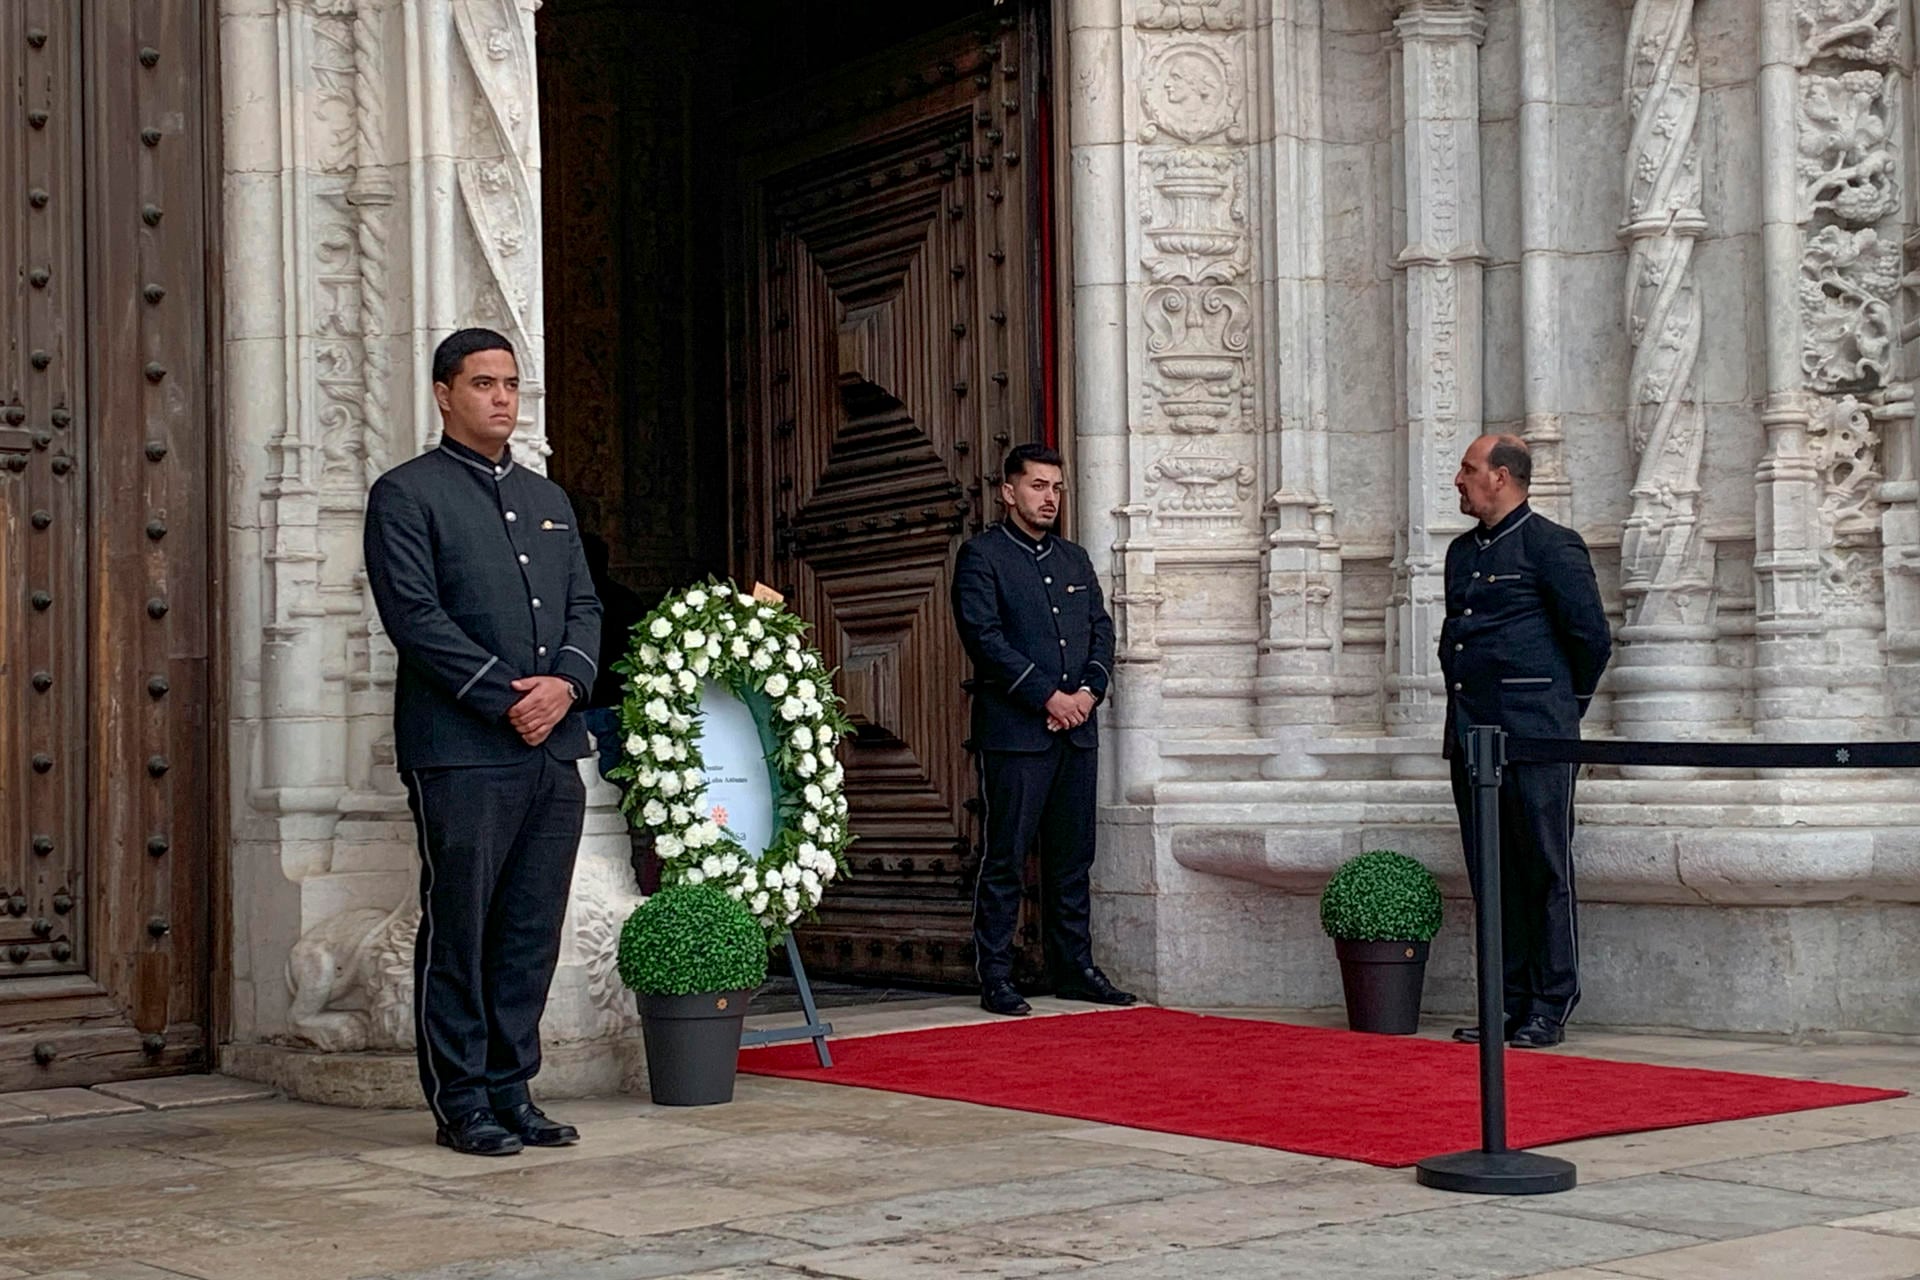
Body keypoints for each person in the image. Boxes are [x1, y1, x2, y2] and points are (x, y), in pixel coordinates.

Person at [363, 327, 603, 1156]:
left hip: (551, 750)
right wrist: (512, 699)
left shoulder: (549, 500)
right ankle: (461, 1100)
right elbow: (416, 619)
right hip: (461, 750)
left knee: (530, 929)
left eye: (510, 384)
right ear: (443, 394)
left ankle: (514, 1089)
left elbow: (585, 608)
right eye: (483, 384)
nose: (502, 398)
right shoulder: (406, 494)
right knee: (462, 927)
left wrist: (566, 685)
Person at [951, 444, 1137, 1017]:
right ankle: (998, 975)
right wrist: (1048, 696)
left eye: (1055, 487)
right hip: (1015, 734)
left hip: (1076, 732)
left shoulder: (1075, 560)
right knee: (1005, 857)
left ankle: (1075, 968)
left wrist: (1086, 695)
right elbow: (985, 639)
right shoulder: (981, 557)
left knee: (1072, 858)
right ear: (1009, 492)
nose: (1049, 497)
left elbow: (1100, 633)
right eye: (1037, 486)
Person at [1440, 433, 1612, 1049]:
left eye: (1468, 469)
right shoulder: (1462, 553)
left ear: (1502, 477)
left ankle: (1549, 1001)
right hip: (1472, 735)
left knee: (1542, 867)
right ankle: (1505, 1002)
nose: (1458, 480)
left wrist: (1560, 711)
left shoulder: (1551, 545)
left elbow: (1590, 639)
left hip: (1536, 736)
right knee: (1492, 873)